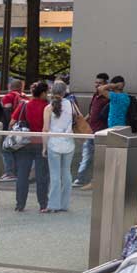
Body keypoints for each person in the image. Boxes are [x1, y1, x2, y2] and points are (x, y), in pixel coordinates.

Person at [45, 80, 79, 213]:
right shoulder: (71, 104)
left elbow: (45, 129)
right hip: (69, 142)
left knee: (55, 175)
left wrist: (43, 146)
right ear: (65, 92)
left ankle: (53, 205)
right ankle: (64, 204)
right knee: (66, 173)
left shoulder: (48, 108)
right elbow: (79, 118)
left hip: (53, 143)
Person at [77, 74, 112, 188]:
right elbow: (91, 112)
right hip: (90, 132)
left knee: (99, 158)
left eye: (100, 83)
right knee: (86, 156)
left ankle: (96, 181)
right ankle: (81, 179)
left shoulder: (108, 98)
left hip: (102, 132)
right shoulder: (95, 96)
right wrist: (83, 123)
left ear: (105, 85)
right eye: (96, 83)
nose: (97, 85)